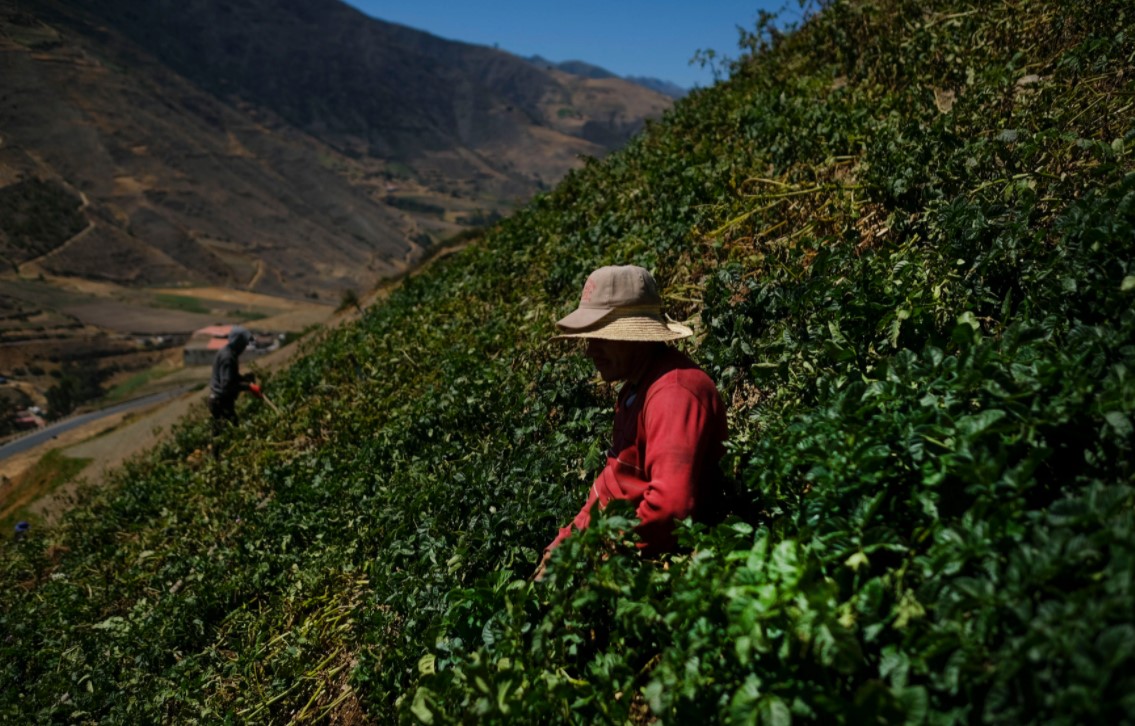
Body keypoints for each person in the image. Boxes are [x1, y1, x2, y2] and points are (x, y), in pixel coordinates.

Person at [535, 265, 728, 579]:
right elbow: (616, 481)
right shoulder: (637, 389)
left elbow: (670, 509)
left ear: (636, 336)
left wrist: (590, 560)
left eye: (601, 337)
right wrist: (565, 544)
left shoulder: (673, 394)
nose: (590, 350)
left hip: (638, 566)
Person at [209, 326, 257, 437]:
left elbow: (231, 377)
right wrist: (248, 387)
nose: (244, 347)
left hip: (219, 400)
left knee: (220, 432)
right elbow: (227, 385)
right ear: (238, 342)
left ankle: (215, 453)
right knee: (229, 431)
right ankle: (215, 453)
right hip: (221, 401)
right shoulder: (228, 358)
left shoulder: (228, 352)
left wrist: (244, 379)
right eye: (244, 344)